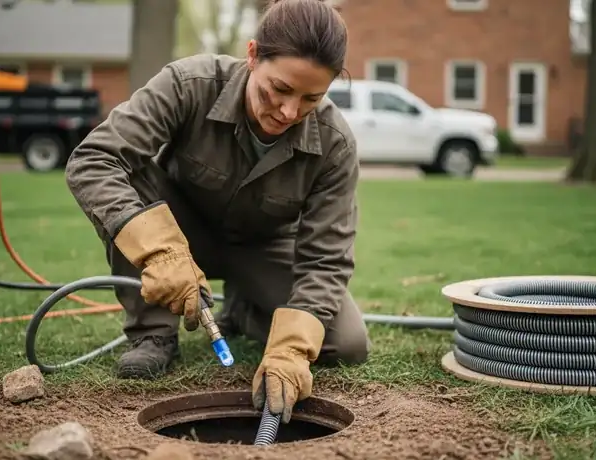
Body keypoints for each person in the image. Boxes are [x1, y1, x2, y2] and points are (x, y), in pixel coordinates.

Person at [65, 0, 370, 424]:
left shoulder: (336, 144)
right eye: (278, 90)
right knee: (128, 176)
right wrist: (159, 252)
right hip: (178, 230)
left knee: (346, 344)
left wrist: (292, 350)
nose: (288, 113)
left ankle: (247, 311)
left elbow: (326, 259)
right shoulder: (188, 83)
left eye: (310, 99)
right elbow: (93, 161)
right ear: (251, 55)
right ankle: (153, 333)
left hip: (263, 245)